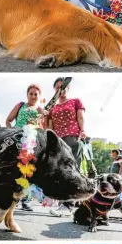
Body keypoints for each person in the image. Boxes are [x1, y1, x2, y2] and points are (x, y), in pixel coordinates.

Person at [47, 78, 86, 217]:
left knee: (72, 170)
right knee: (60, 172)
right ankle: (65, 203)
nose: (61, 90)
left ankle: (68, 205)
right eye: (57, 87)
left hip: (73, 138)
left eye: (63, 87)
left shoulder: (75, 101)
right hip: (58, 141)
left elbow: (80, 117)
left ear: (68, 88)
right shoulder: (53, 106)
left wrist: (83, 131)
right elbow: (50, 126)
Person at [6, 84, 45, 211]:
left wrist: (42, 116)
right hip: (17, 139)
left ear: (39, 96)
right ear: (27, 94)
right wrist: (11, 132)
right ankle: (7, 197)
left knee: (29, 171)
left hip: (31, 142)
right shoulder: (20, 105)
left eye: (36, 94)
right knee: (13, 168)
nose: (33, 96)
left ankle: (26, 200)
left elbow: (42, 128)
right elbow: (8, 120)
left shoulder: (40, 109)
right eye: (31, 93)